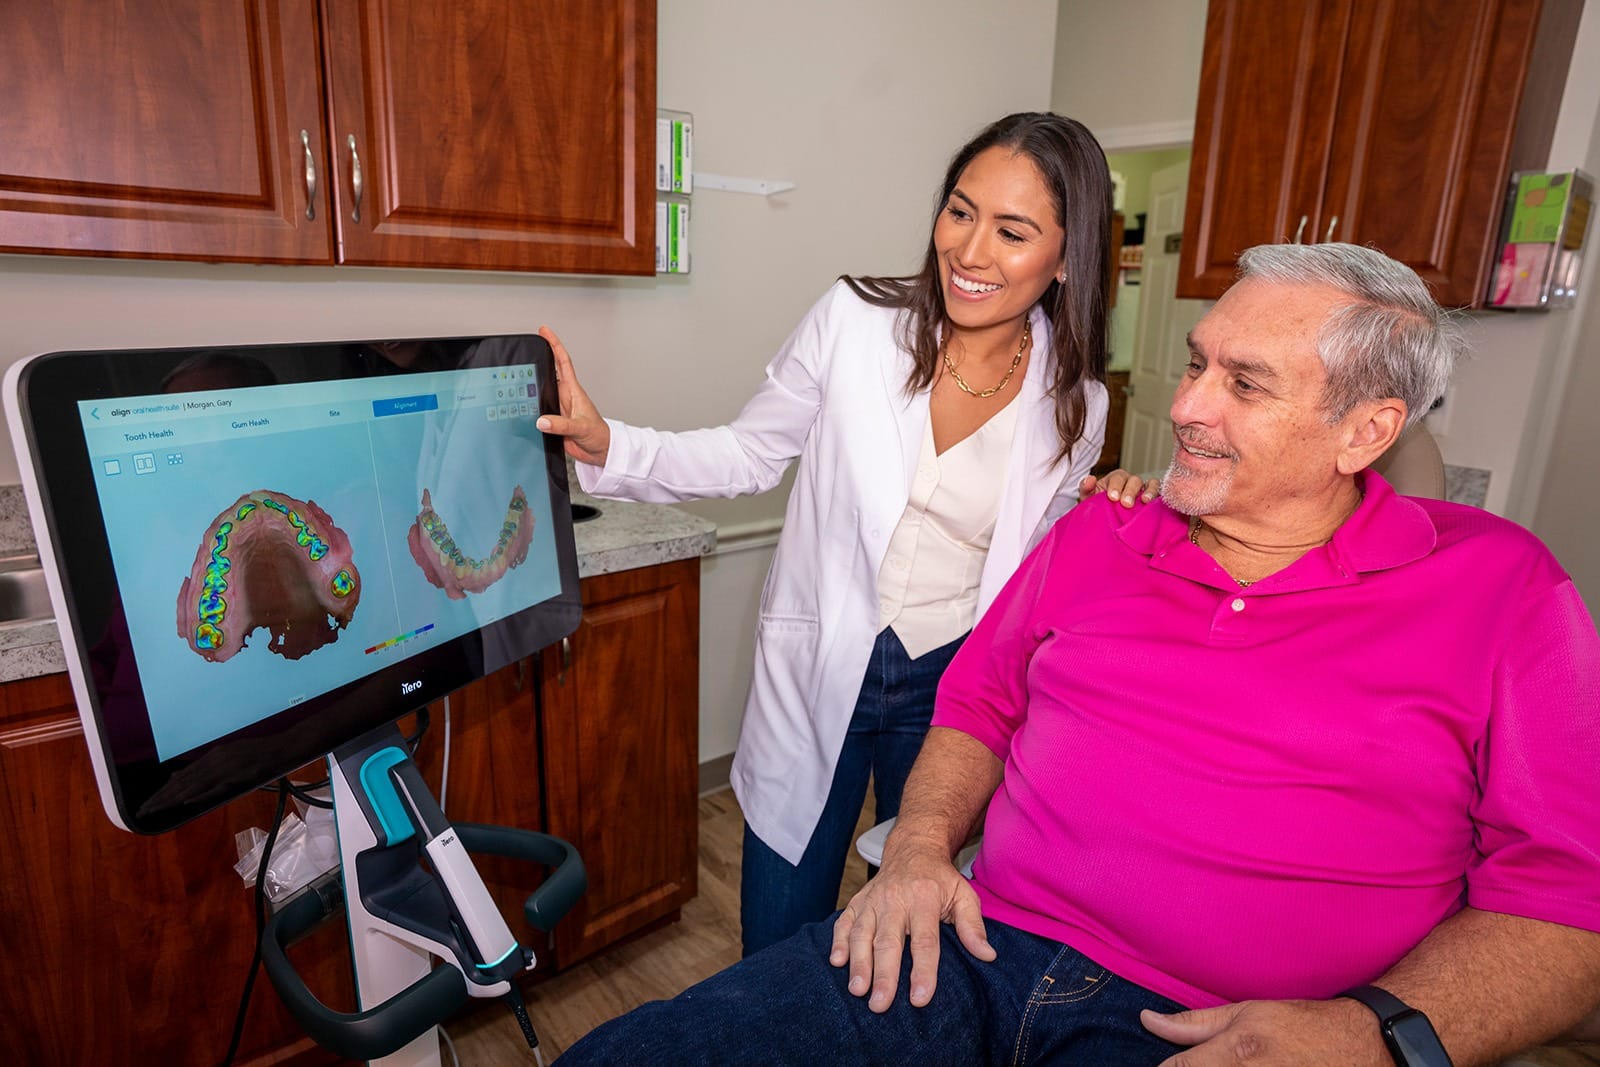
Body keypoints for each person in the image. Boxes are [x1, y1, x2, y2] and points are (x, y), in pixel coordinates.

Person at [556, 243, 1600, 1066]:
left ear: (1365, 431)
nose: (1185, 405)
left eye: (1244, 382)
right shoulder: (1103, 533)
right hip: (967, 947)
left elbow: (1568, 904)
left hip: (1227, 1027)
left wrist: (1377, 1031)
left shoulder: (1499, 588)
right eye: (1196, 362)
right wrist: (917, 846)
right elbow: (975, 705)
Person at [536, 112, 1117, 955]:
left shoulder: (1079, 404)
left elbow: (1042, 573)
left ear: (1067, 258)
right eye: (960, 211)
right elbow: (747, 452)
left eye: (1013, 231)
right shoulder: (855, 322)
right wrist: (609, 443)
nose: (971, 250)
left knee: (909, 932)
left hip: (953, 686)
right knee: (781, 926)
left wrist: (1113, 512)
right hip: (825, 667)